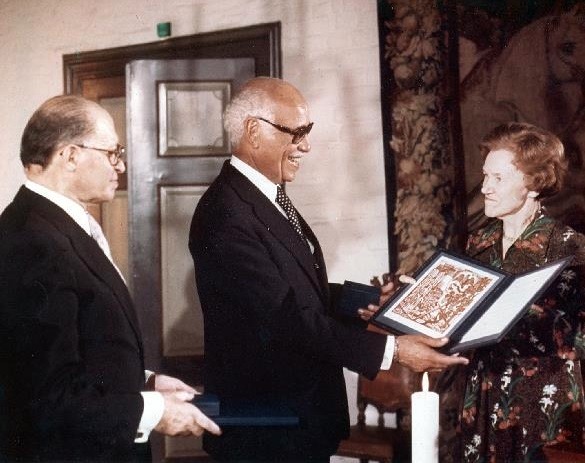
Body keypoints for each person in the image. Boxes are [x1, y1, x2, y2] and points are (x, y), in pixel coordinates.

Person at [188, 76, 468, 461]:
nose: (305, 145)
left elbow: (296, 287)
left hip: (298, 421)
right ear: (253, 131)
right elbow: (286, 318)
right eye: (296, 133)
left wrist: (369, 299)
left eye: (308, 132)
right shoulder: (225, 214)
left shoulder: (262, 196)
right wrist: (394, 350)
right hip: (264, 433)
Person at [0, 95, 221, 462]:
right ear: (70, 156)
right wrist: (154, 411)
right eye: (112, 153)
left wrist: (145, 381)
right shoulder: (33, 242)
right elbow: (49, 396)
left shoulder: (56, 226)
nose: (120, 165)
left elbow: (80, 350)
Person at [446, 122, 585, 462]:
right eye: (485, 176)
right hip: (484, 390)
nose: (485, 188)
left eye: (498, 178)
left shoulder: (568, 246)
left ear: (534, 185)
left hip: (542, 400)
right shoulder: (478, 242)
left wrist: (527, 317)